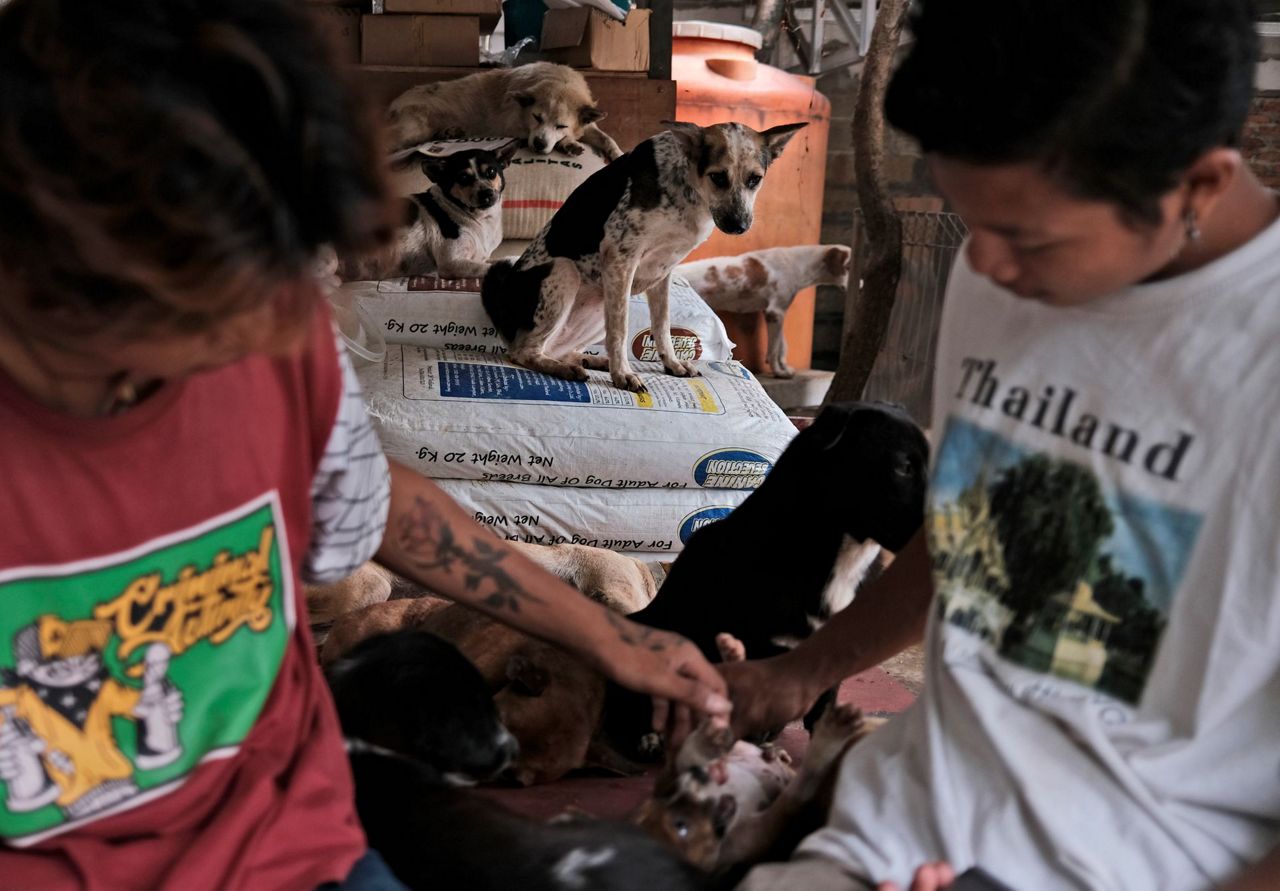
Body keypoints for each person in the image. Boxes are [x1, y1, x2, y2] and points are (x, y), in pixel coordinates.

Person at [0, 1, 727, 888]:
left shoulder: (274, 334)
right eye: (200, 292)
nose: (255, 323)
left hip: (297, 844)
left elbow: (373, 496)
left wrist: (611, 638)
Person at [724, 2, 1280, 889]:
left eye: (1026, 237)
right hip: (893, 832)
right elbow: (977, 534)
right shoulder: (1005, 273)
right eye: (970, 219)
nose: (984, 268)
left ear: (1201, 186)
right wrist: (800, 672)